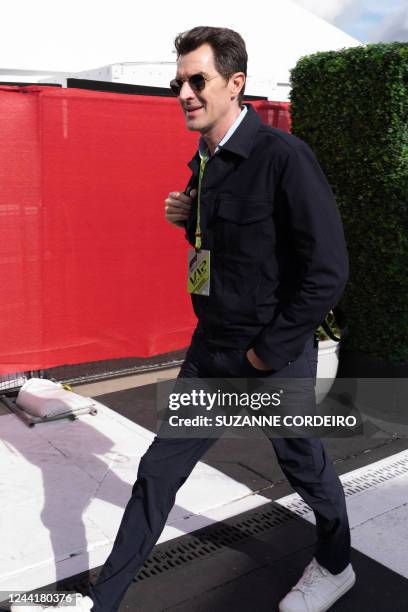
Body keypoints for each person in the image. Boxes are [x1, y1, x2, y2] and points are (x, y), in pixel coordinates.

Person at [14, 26, 355, 612]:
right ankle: (103, 602)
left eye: (198, 80)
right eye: (179, 82)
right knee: (158, 472)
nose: (184, 93)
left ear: (235, 83)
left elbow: (328, 270)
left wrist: (265, 354)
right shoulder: (205, 159)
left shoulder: (283, 157)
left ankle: (335, 562)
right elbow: (221, 246)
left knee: (303, 462)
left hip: (271, 353)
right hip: (213, 349)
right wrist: (188, 215)